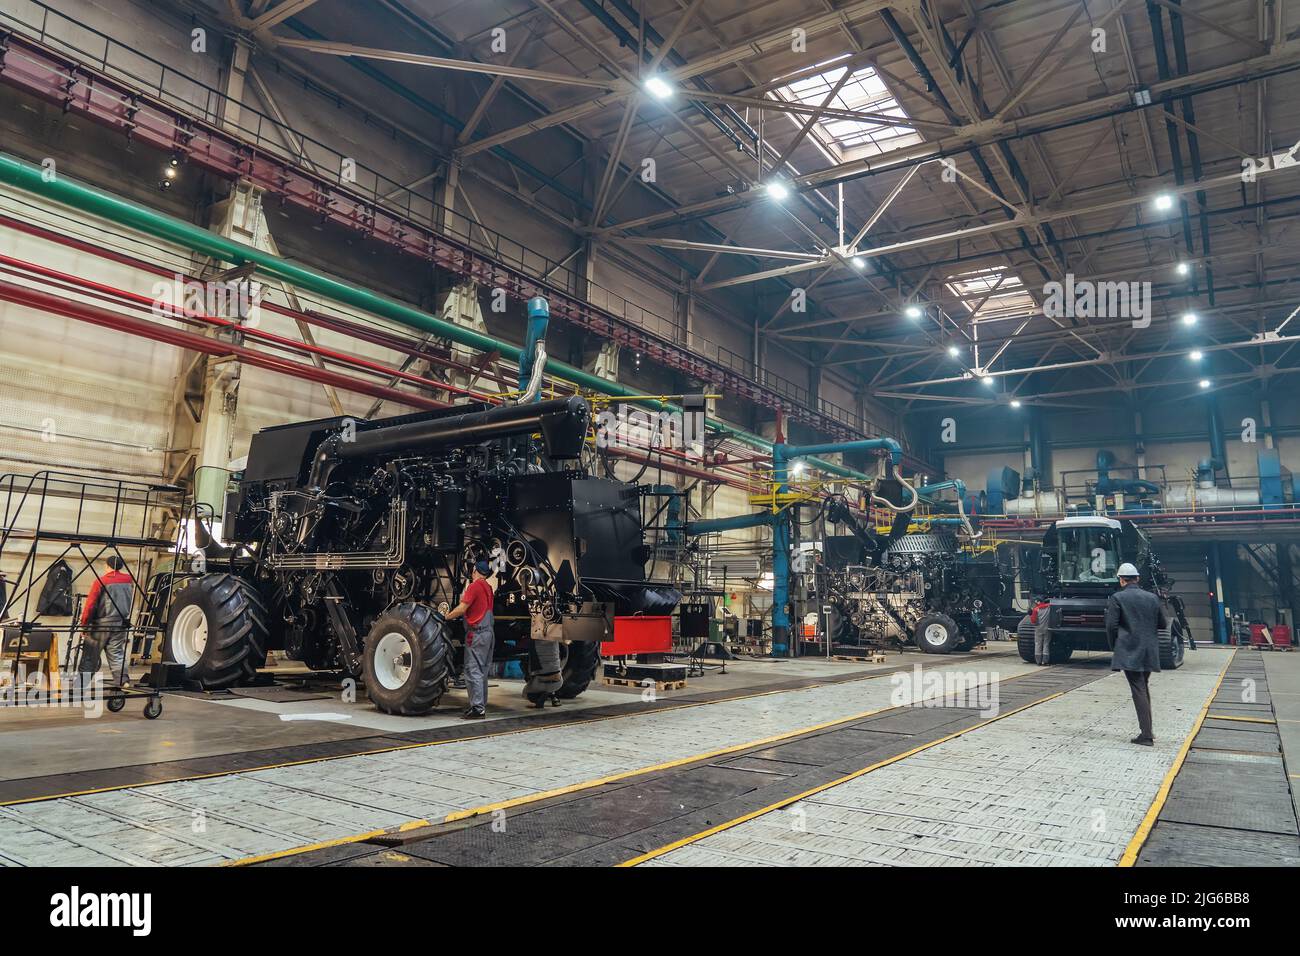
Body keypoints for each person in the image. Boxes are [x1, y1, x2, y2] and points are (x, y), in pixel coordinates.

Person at [1105, 562, 1167, 746]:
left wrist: (1114, 646)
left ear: (1121, 580)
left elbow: (1111, 626)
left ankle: (1146, 736)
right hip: (1148, 649)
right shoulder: (1152, 598)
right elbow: (1162, 624)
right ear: (1138, 578)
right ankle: (1147, 731)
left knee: (1138, 688)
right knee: (1143, 686)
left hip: (1130, 649)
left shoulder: (1117, 598)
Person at [444, 560, 495, 720]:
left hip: (477, 634)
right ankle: (481, 705)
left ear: (474, 571)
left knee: (473, 671)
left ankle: (477, 709)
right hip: (489, 634)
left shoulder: (474, 586)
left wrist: (446, 616)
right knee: (482, 671)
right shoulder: (488, 587)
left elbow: (462, 608)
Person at [78, 556, 135, 688]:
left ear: (108, 566)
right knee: (116, 653)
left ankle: (80, 686)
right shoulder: (129, 580)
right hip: (121, 623)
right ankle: (123, 681)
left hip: (101, 625)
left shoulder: (101, 581)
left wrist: (84, 625)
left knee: (90, 655)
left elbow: (90, 605)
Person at [1033, 600, 1052, 665]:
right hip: (1047, 628)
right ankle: (1045, 661)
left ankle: (1038, 661)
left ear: (1038, 602)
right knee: (1046, 644)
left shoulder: (1036, 609)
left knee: (1038, 644)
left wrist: (1030, 614)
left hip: (1038, 629)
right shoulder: (1049, 607)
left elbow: (1033, 621)